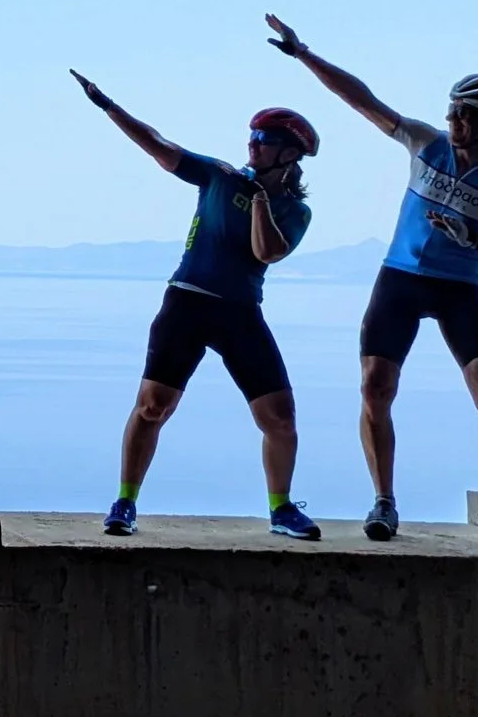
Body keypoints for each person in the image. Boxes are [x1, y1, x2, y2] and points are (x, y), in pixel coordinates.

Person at [265, 14, 478, 548]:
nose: (453, 119)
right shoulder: (426, 144)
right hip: (399, 280)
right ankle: (384, 502)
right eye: (451, 109)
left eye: (465, 114)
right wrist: (304, 54)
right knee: (375, 388)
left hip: (459, 289)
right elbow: (363, 100)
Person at [71, 71, 323, 542]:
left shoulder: (296, 211)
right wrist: (108, 105)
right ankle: (124, 502)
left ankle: (281, 509)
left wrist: (261, 200)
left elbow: (267, 252)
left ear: (290, 155)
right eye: (252, 136)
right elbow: (158, 145)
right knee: (152, 407)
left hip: (240, 313)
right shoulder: (218, 176)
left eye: (265, 140)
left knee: (281, 418)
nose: (253, 145)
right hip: (186, 302)